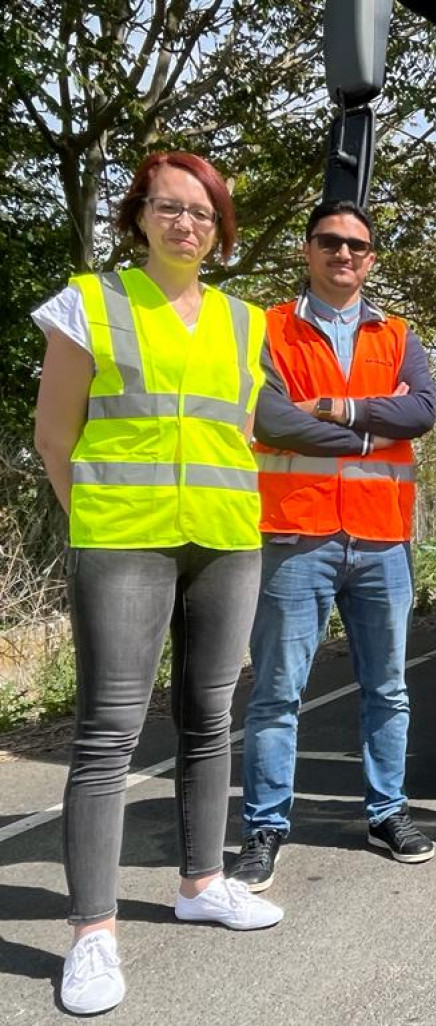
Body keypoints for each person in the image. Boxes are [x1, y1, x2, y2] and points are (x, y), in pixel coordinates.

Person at [32, 151, 283, 1016]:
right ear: (139, 216)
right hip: (122, 543)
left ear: (220, 230)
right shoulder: (90, 304)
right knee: (108, 734)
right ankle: (92, 934)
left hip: (223, 542)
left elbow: (237, 435)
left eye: (203, 212)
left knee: (210, 717)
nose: (186, 224)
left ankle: (202, 881)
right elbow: (54, 439)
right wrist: (96, 523)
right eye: (169, 208)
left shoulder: (246, 322)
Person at [229, 200, 436, 892]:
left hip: (382, 538)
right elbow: (271, 418)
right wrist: (370, 430)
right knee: (277, 693)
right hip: (296, 535)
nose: (343, 254)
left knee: (389, 688)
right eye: (330, 242)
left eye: (356, 245)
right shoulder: (269, 328)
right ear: (307, 250)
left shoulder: (400, 334)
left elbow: (423, 411)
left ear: (371, 258)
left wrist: (338, 409)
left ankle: (386, 813)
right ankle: (264, 826)